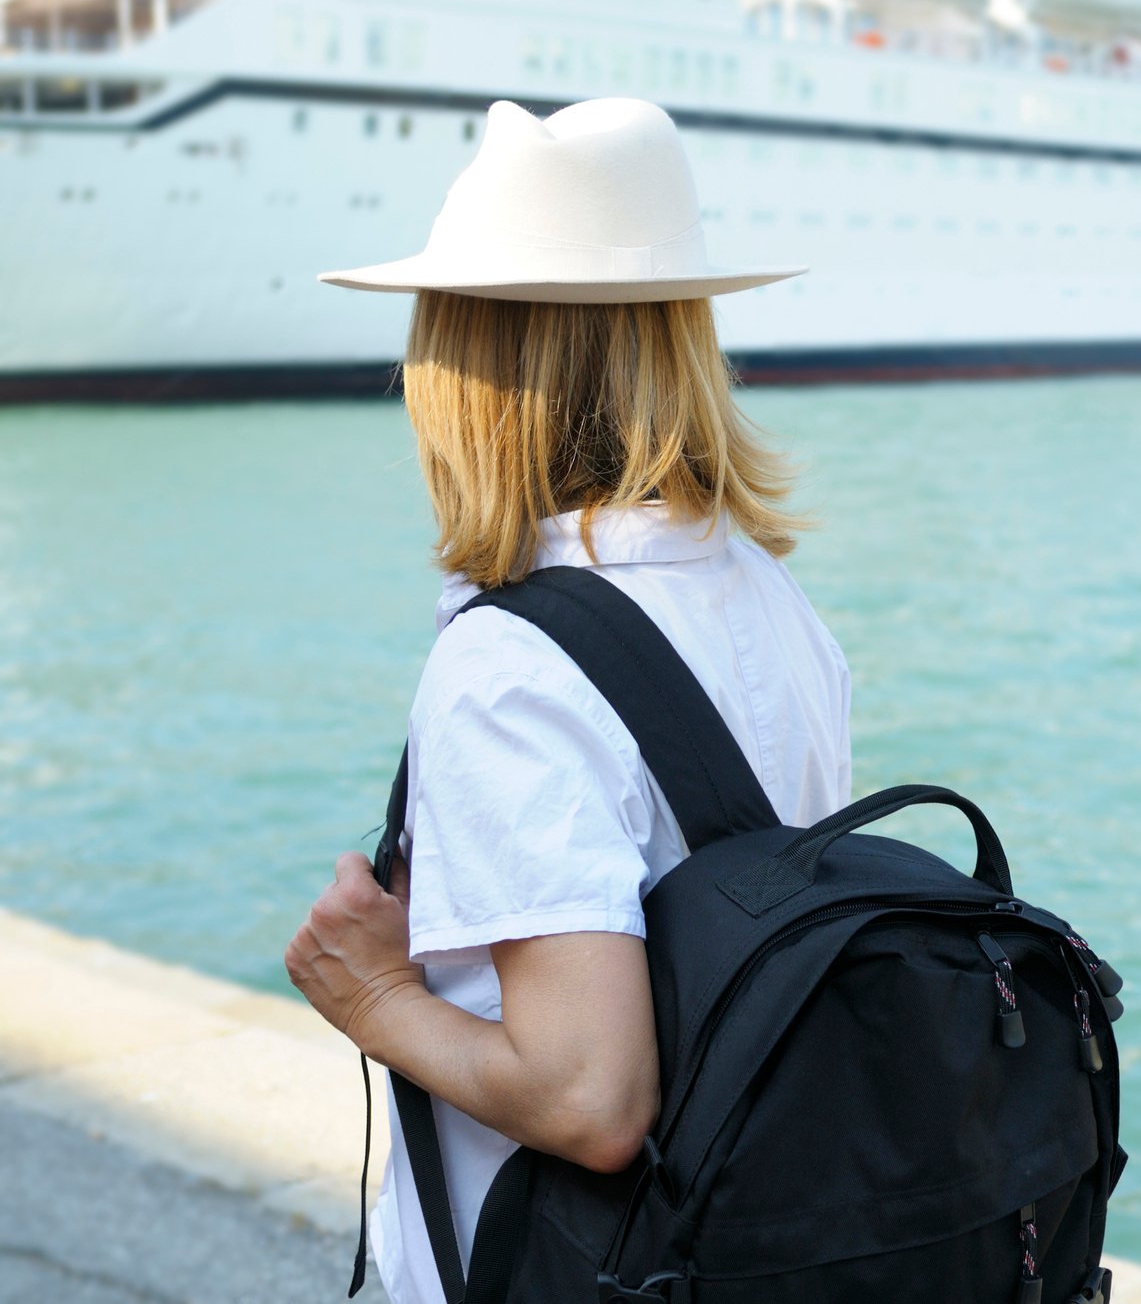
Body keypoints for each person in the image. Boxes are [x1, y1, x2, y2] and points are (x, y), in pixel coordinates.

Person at [281, 97, 848, 1304]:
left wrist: (373, 994)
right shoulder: (763, 592)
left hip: (577, 1269)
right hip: (737, 1243)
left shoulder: (512, 663)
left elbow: (590, 1096)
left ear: (465, 366)